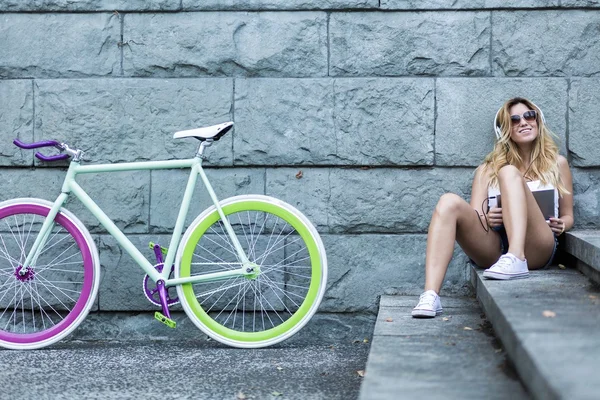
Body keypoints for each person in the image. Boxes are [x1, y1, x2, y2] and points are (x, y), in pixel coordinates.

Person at [412, 97, 574, 318]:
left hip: (537, 245)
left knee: (508, 172)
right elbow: (476, 216)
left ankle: (517, 257)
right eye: (514, 120)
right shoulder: (487, 169)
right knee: (447, 201)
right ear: (505, 130)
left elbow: (568, 216)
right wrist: (489, 218)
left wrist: (561, 224)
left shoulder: (557, 163)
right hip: (496, 249)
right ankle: (430, 295)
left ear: (538, 120)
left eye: (529, 115)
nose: (523, 122)